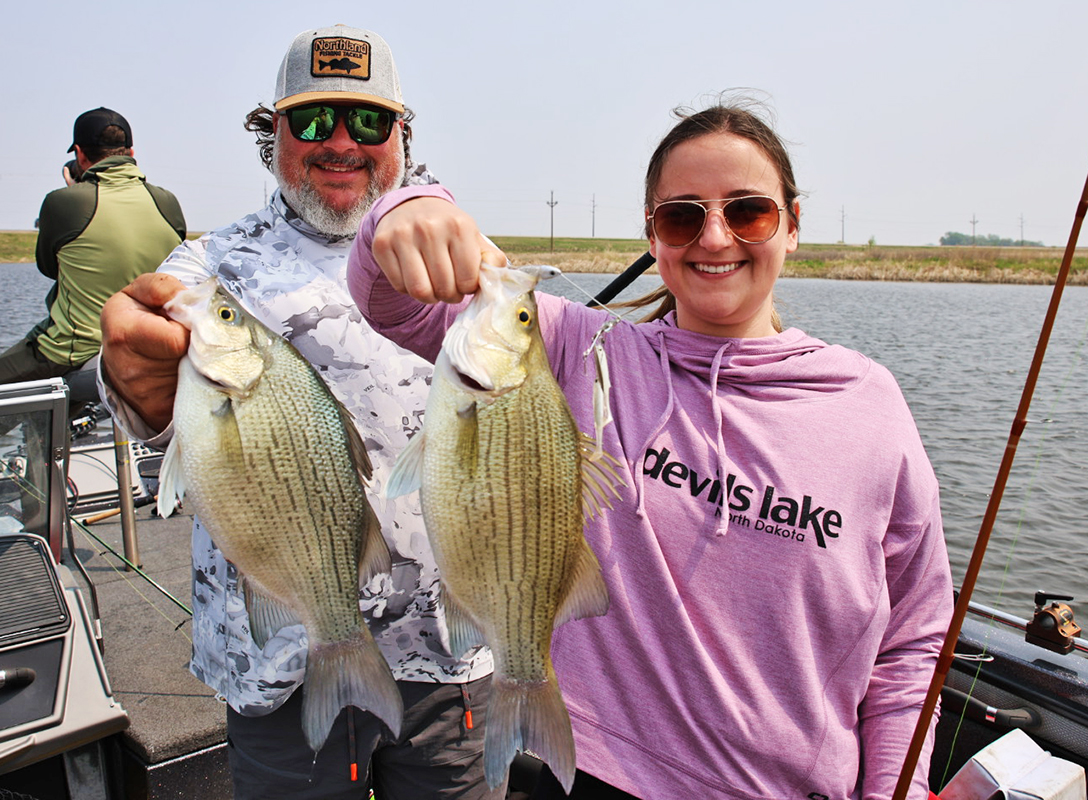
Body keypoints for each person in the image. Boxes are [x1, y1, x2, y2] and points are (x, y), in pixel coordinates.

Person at [347, 101, 954, 800]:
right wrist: (406, 209)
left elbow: (914, 639)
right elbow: (391, 301)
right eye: (682, 217)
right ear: (653, 235)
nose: (716, 237)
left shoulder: (868, 404)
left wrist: (891, 789)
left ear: (792, 225)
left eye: (749, 212)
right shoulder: (584, 350)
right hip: (597, 774)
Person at [96, 25, 499, 800]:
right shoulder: (210, 269)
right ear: (270, 132)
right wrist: (134, 375)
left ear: (402, 138)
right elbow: (150, 415)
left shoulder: (458, 253)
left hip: (448, 651)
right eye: (312, 121)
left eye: (368, 121)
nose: (341, 143)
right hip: (280, 663)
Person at [0, 107, 185, 497]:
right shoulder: (166, 202)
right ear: (131, 153)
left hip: (74, 351)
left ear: (80, 155)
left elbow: (49, 266)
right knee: (46, 415)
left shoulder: (64, 202)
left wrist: (73, 186)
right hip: (147, 350)